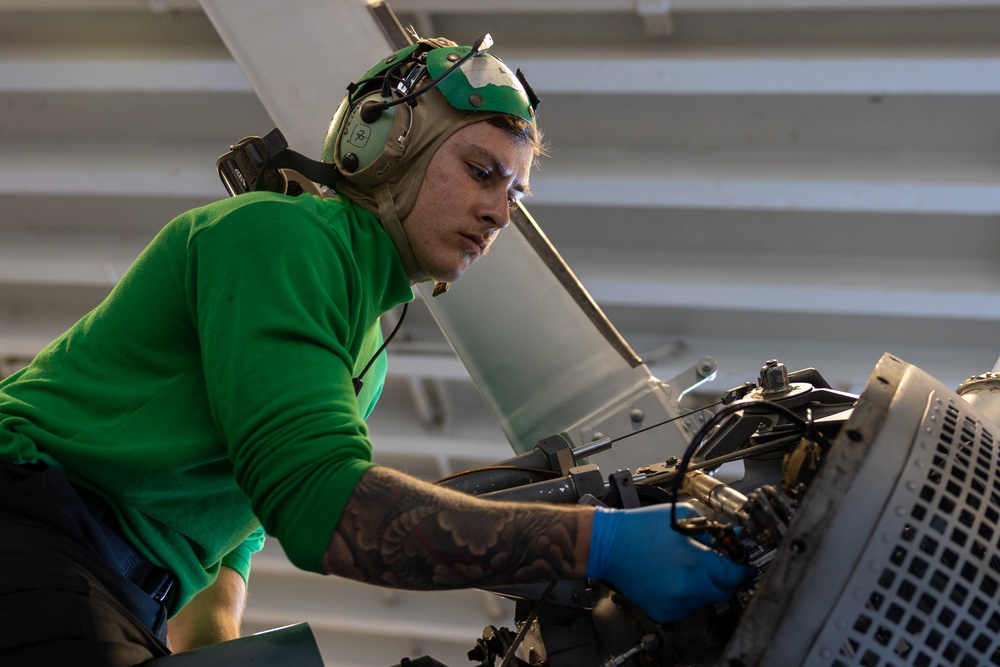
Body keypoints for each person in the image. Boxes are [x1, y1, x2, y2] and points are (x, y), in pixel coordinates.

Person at [0, 35, 751, 665]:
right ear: (382, 145)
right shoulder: (280, 238)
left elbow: (225, 547)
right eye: (482, 172)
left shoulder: (366, 353)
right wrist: (603, 544)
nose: (498, 210)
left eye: (515, 196)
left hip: (123, 590)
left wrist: (220, 645)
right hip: (37, 534)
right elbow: (324, 505)